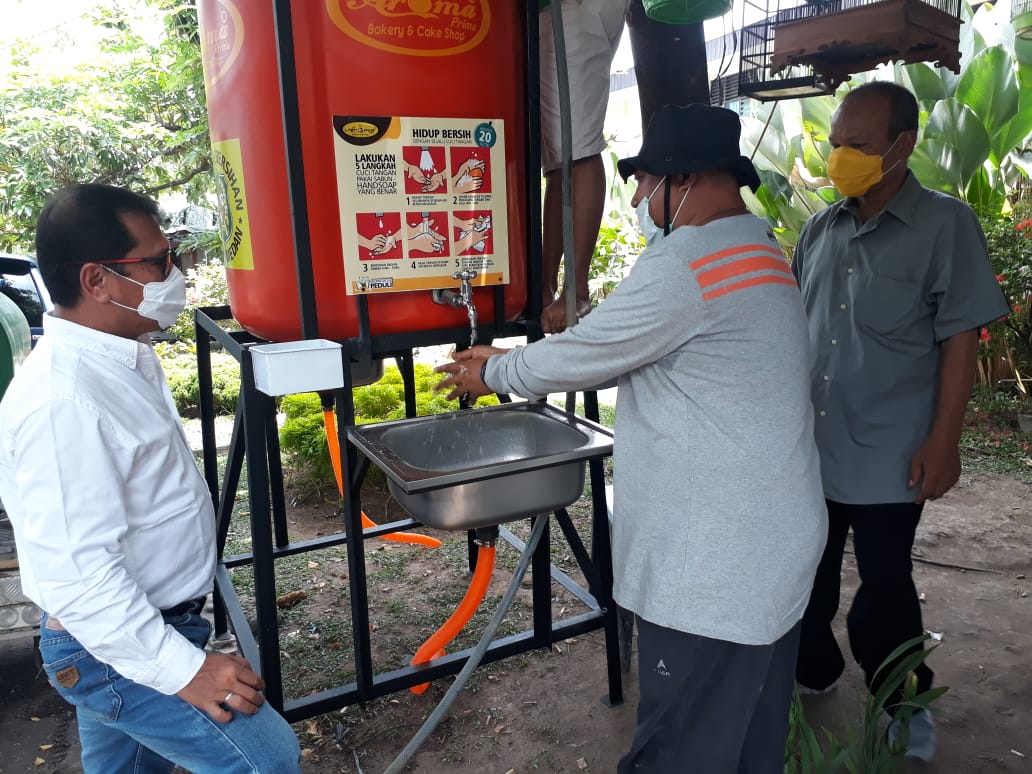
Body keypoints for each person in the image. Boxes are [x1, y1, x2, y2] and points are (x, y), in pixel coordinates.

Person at [436, 103, 827, 772]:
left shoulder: (688, 262)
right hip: (771, 543)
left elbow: (590, 351)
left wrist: (495, 370)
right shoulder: (758, 247)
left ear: (687, 181)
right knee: (745, 733)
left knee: (680, 748)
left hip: (715, 564)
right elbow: (618, 339)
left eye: (647, 183)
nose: (641, 199)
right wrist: (515, 359)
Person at [0, 184, 301, 774]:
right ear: (97, 281)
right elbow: (79, 578)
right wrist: (187, 670)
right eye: (158, 261)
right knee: (264, 759)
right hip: (112, 643)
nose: (176, 272)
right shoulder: (65, 401)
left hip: (141, 627)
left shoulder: (121, 354)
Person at [791, 81, 1010, 762]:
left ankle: (905, 702)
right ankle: (815, 670)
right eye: (836, 144)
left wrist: (944, 441)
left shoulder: (944, 225)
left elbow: (961, 338)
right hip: (810, 452)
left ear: (902, 146)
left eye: (857, 146)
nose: (840, 159)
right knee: (804, 579)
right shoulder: (821, 229)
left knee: (885, 591)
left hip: (892, 451)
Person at [538, 0, 632, 333]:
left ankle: (575, 290)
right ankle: (545, 284)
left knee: (577, 146)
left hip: (571, 9)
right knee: (560, 159)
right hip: (557, 12)